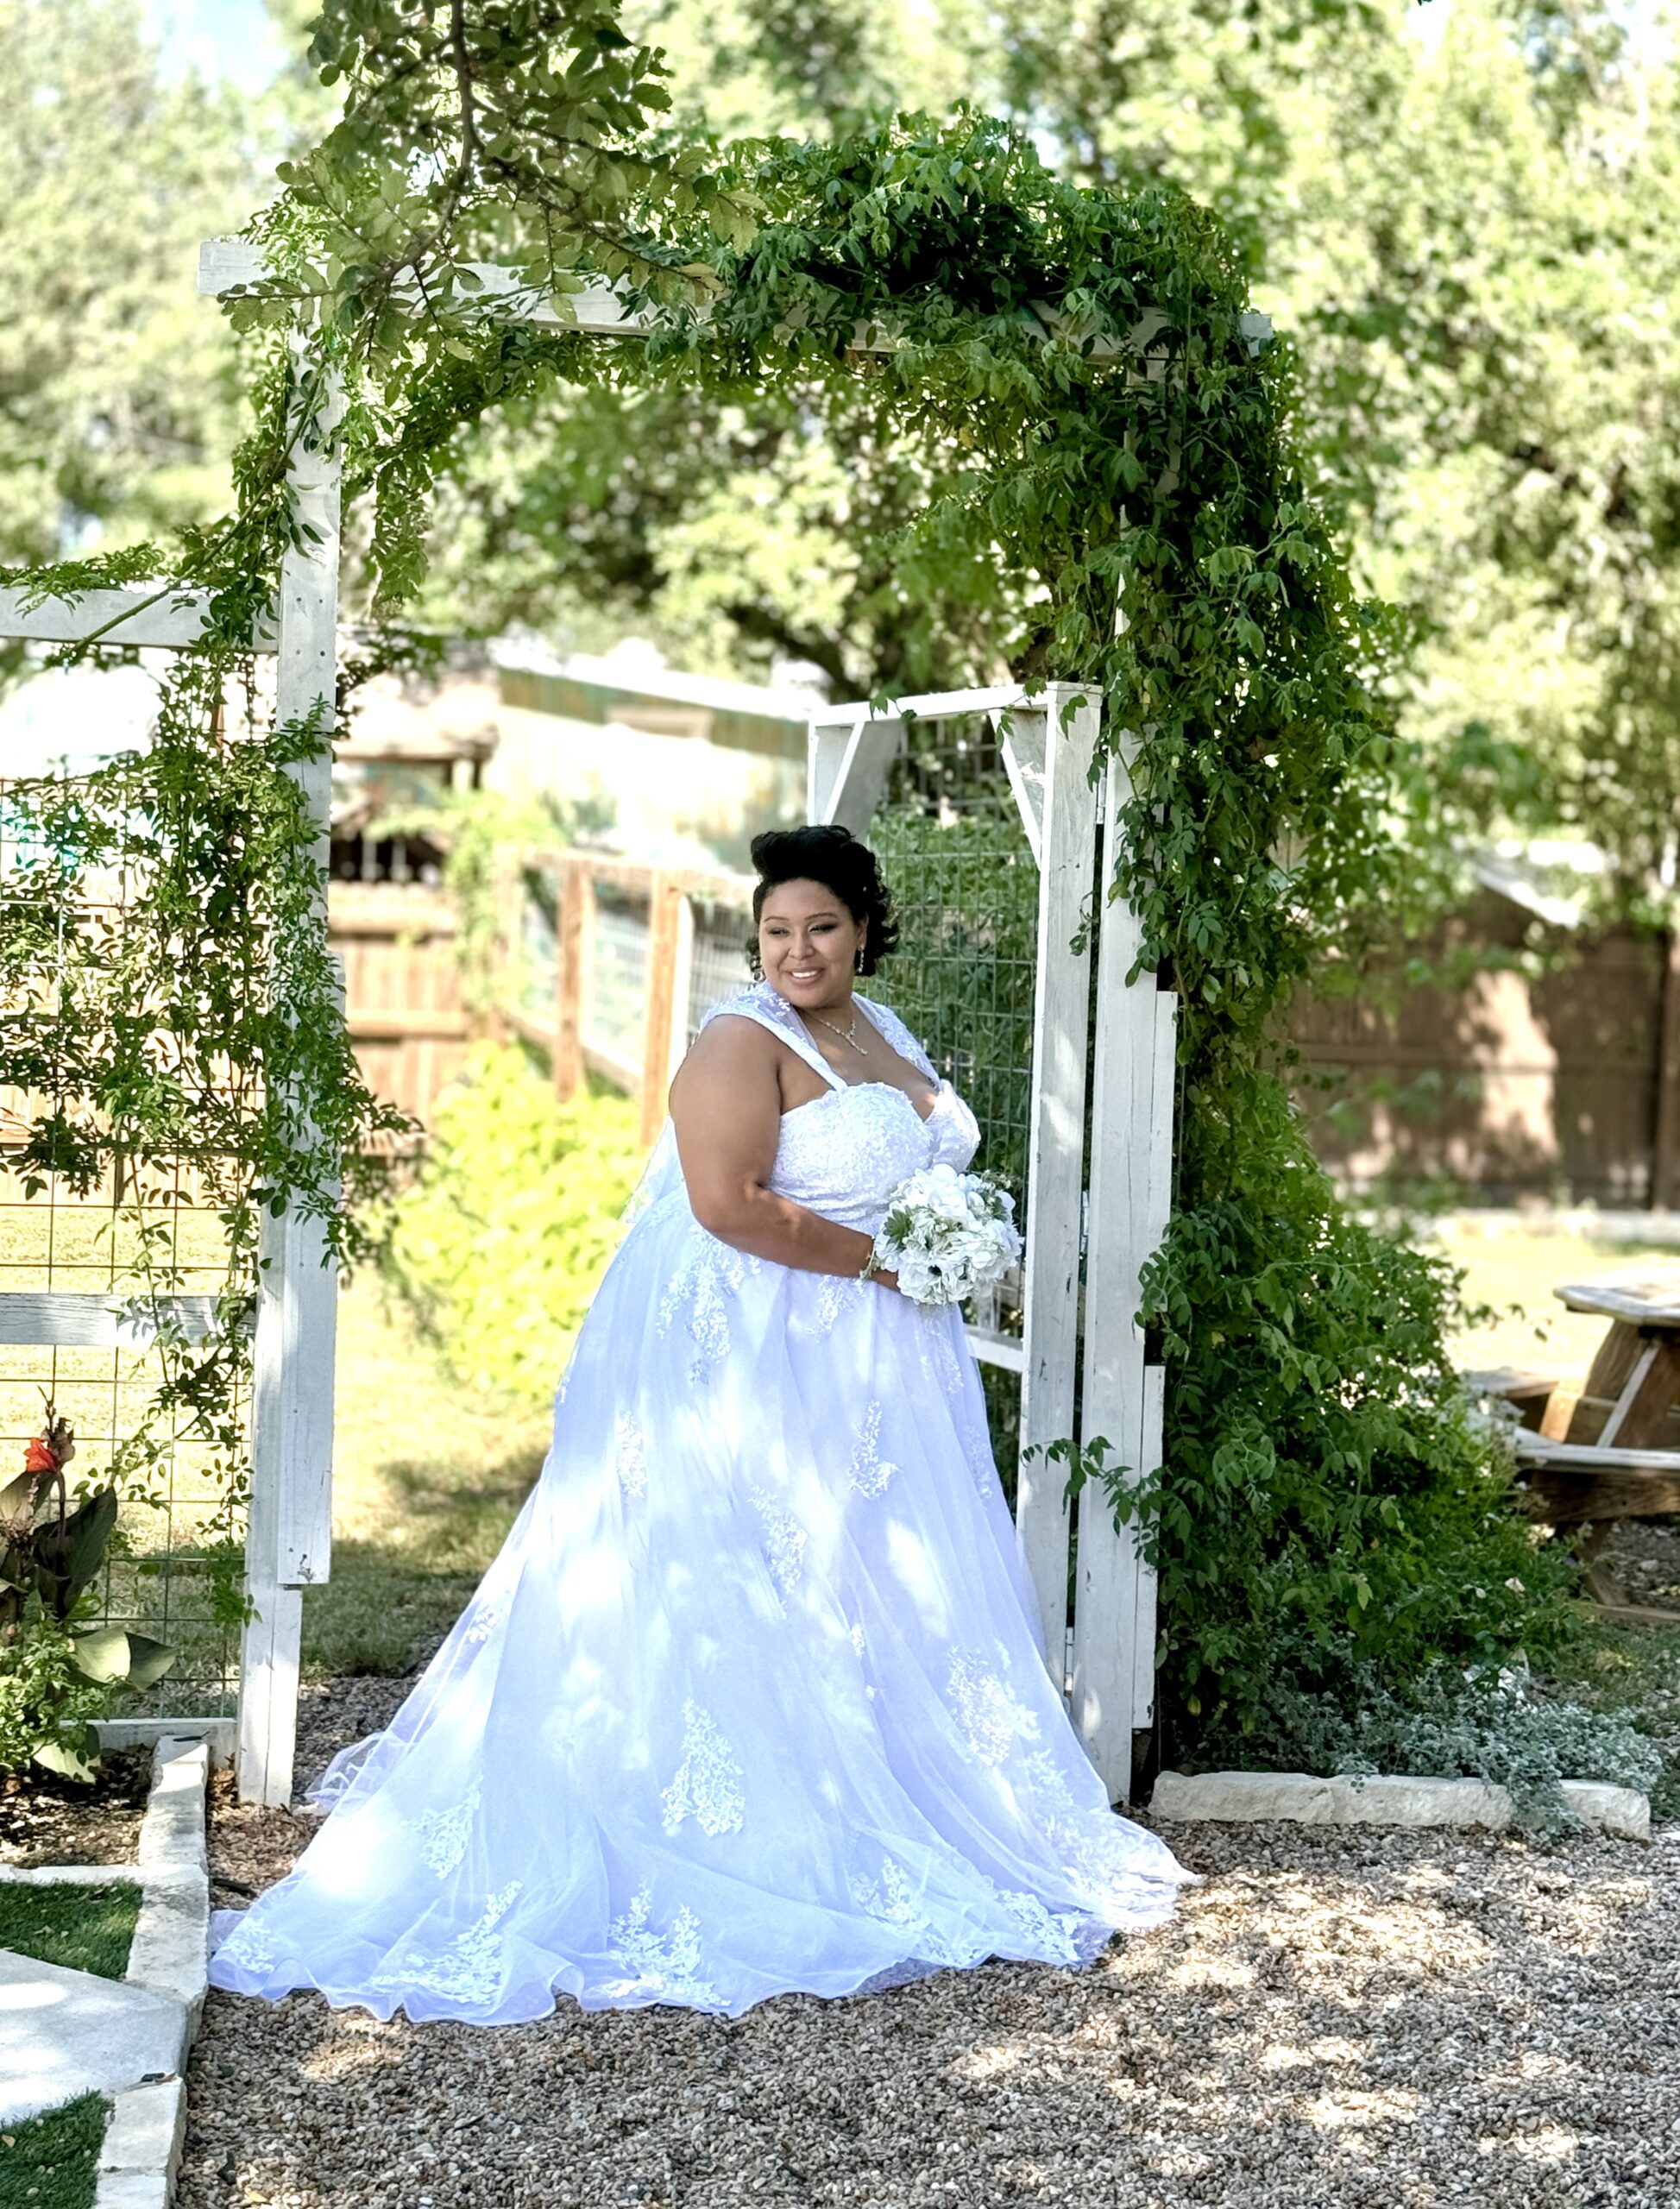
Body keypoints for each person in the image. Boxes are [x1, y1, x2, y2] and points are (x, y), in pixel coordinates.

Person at [208, 824, 1191, 2023]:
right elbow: (731, 1210)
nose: (798, 949)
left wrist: (957, 1238)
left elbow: (914, 1155)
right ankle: (759, 1831)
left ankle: (886, 1790)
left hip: (881, 1360)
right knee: (754, 1577)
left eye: (821, 926)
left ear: (864, 928)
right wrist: (897, 1262)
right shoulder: (739, 1043)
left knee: (865, 1575)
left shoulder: (878, 1033)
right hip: (776, 1349)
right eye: (778, 930)